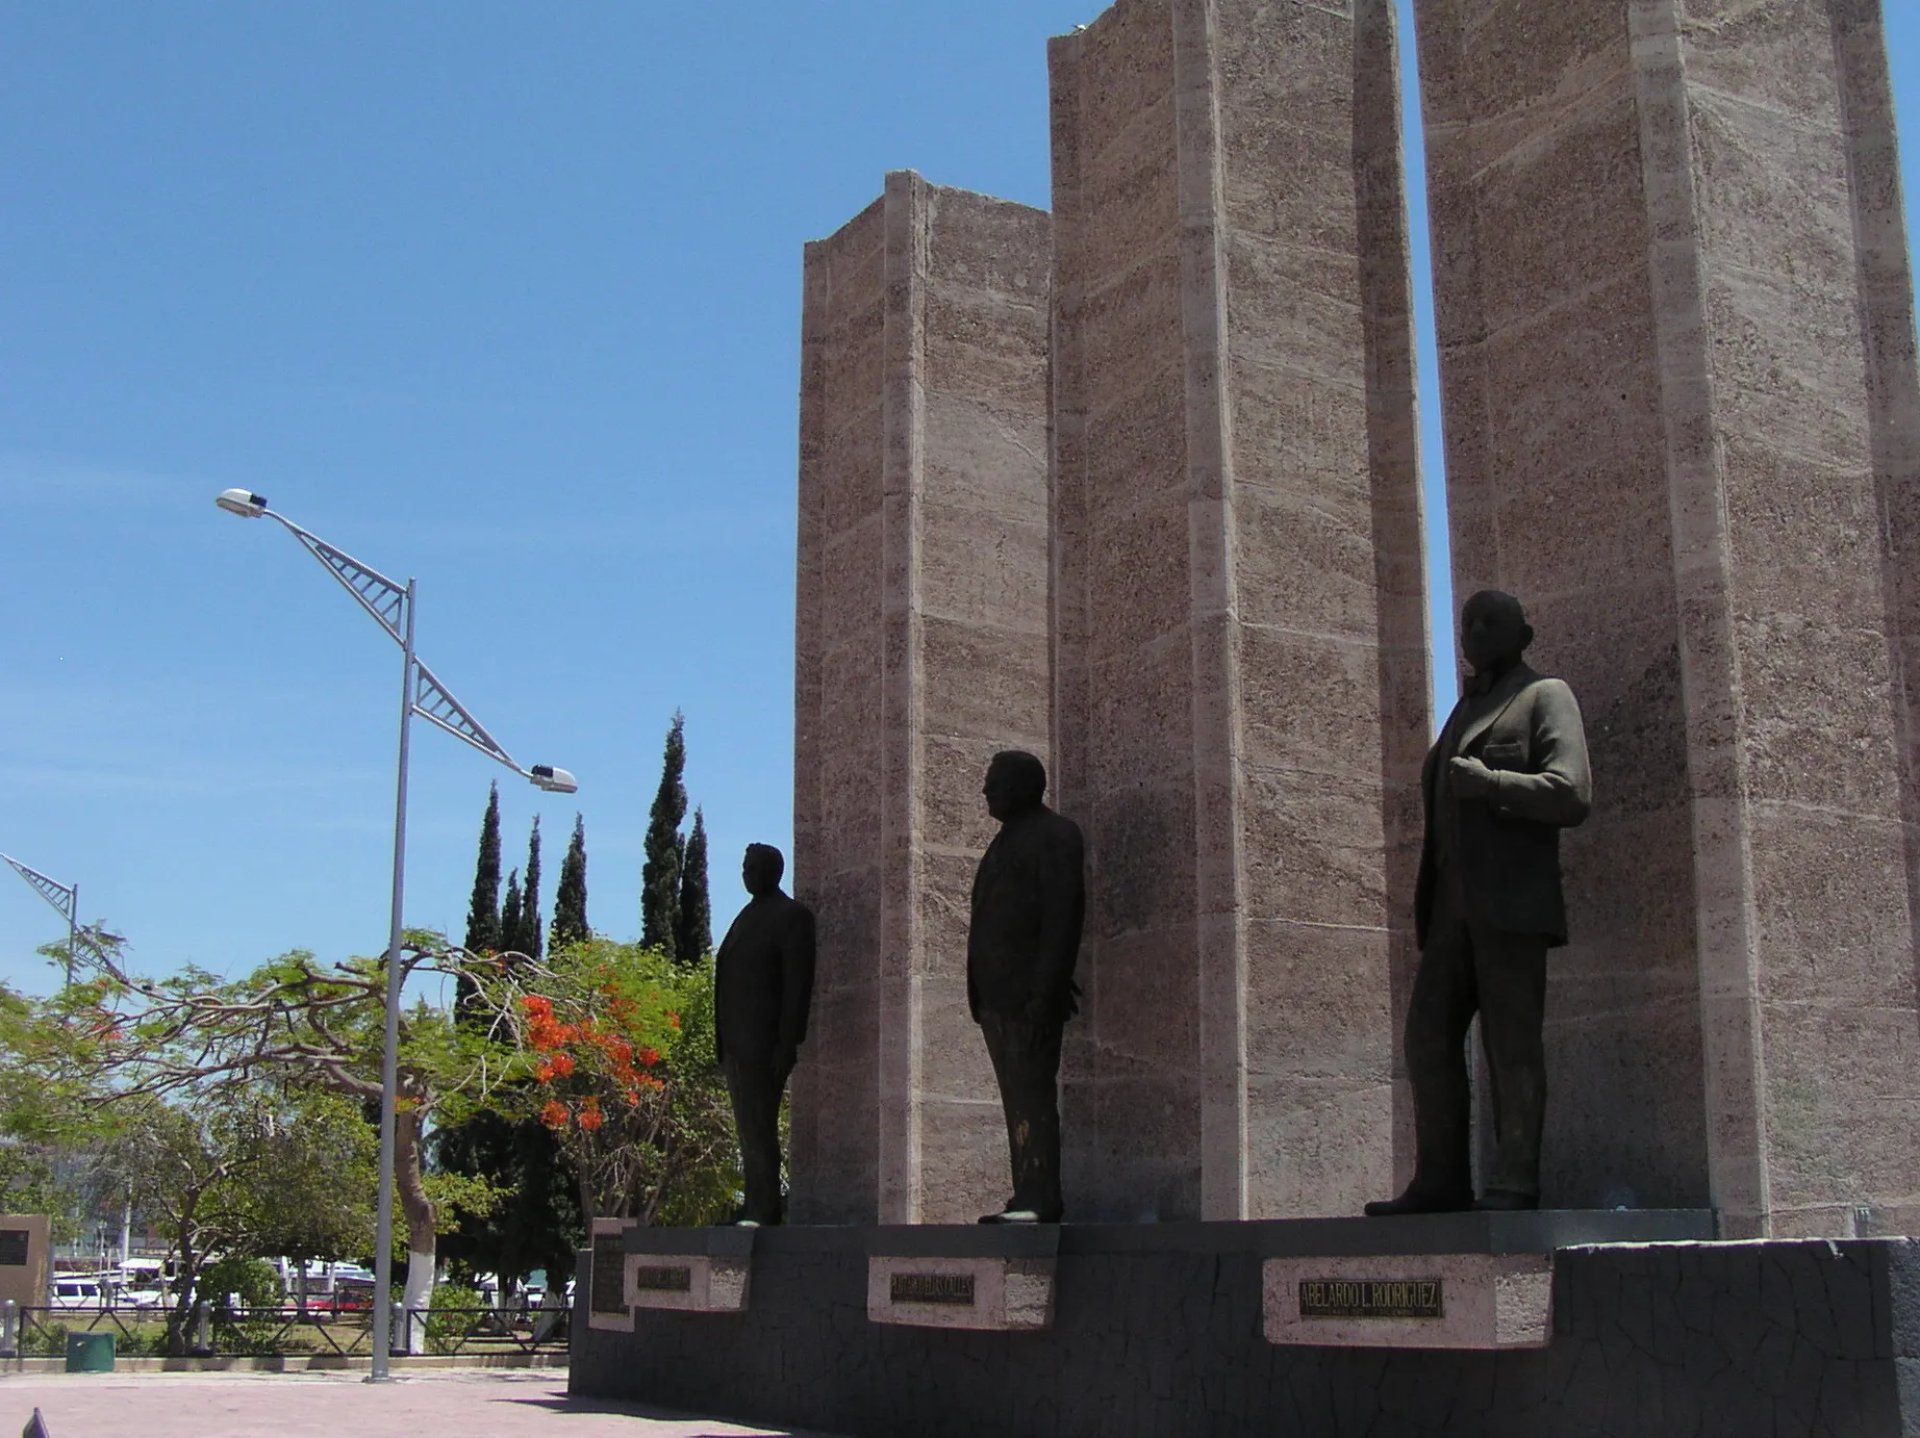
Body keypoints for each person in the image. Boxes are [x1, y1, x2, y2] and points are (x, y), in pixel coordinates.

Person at [1367, 590, 1592, 1216]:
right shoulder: (1465, 708)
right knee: (1426, 1038)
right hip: (1450, 911)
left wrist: (1491, 784)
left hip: (1510, 906)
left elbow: (1572, 792)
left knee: (1511, 1044)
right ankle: (1440, 1180)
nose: (1473, 631)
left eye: (1490, 621)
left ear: (1525, 632)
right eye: (1466, 622)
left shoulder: (1545, 696)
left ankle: (1516, 1181)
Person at [968, 750, 1085, 1225]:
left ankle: (1041, 1197)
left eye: (993, 782)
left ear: (1021, 785)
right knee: (1015, 1098)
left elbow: (1063, 917)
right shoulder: (1003, 842)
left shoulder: (1055, 835)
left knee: (1033, 1097)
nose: (985, 792)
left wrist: (1046, 991)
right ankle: (1025, 1194)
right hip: (996, 996)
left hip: (1029, 998)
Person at [714, 843, 816, 1226]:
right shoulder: (747, 916)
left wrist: (787, 1043)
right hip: (736, 1043)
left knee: (761, 1126)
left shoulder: (790, 917)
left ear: (773, 871)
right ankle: (754, 1201)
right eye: (744, 867)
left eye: (752, 867)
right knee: (748, 1130)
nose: (746, 873)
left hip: (763, 1043)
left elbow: (796, 986)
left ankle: (765, 1206)